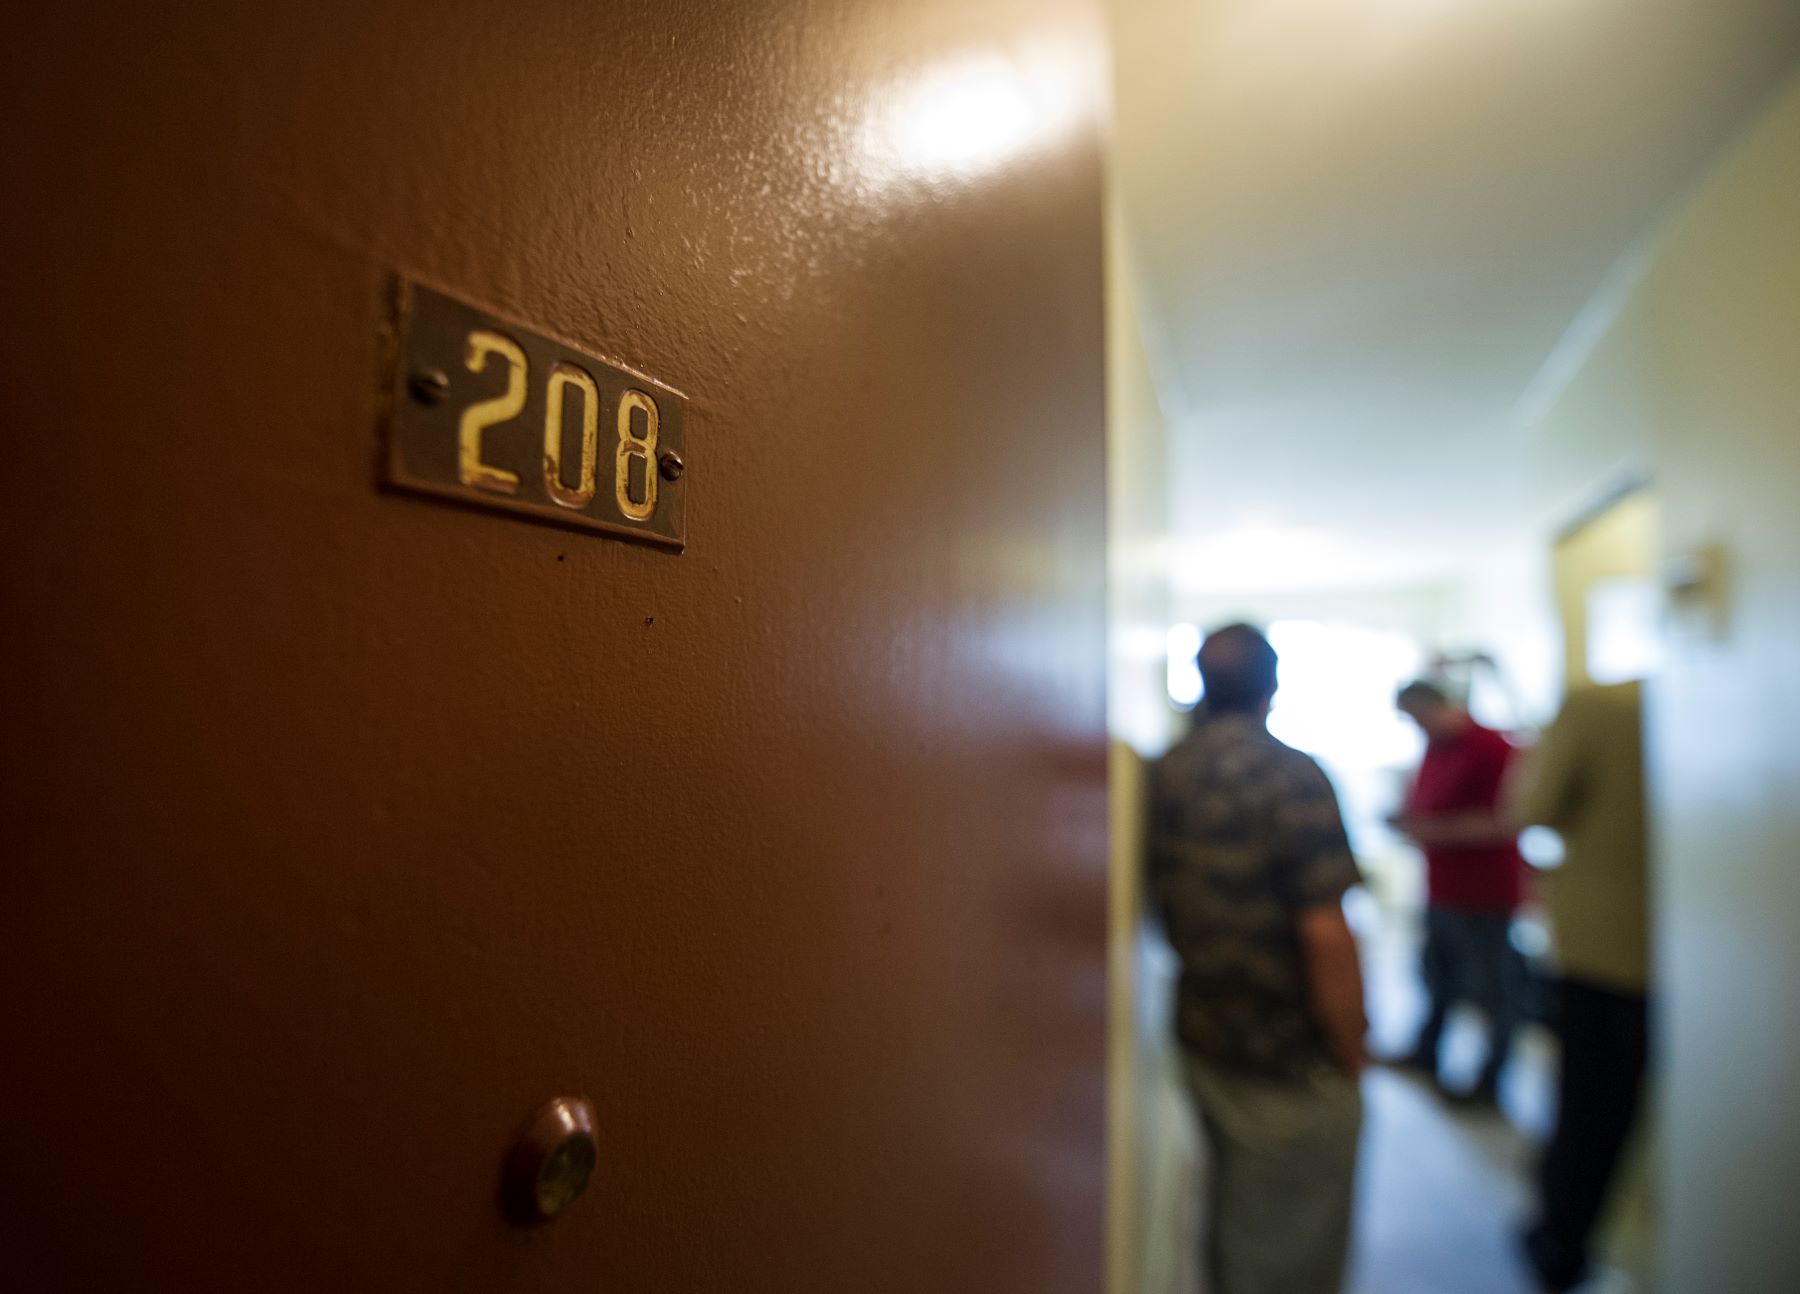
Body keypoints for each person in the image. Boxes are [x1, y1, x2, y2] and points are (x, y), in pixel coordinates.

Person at [1148, 623, 1367, 1294]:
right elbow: (1327, 932)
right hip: (1287, 1057)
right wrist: (1351, 1046)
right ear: (1271, 686)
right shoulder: (1293, 777)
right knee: (1286, 1250)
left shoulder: (1164, 773)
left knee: (1237, 1218)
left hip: (1204, 1036)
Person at [1509, 681, 1651, 1293]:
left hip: (1608, 945)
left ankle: (1561, 1246)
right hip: (1696, 947)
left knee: (1591, 1105)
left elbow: (1529, 809)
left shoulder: (1598, 705)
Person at [1390, 679, 1526, 1105]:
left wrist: (1431, 830)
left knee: (1493, 990)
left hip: (1485, 891)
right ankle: (1427, 1053)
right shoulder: (1435, 749)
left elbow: (1508, 820)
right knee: (1437, 977)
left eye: (1417, 717)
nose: (1417, 728)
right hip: (1441, 886)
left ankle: (1491, 1080)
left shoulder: (1494, 748)